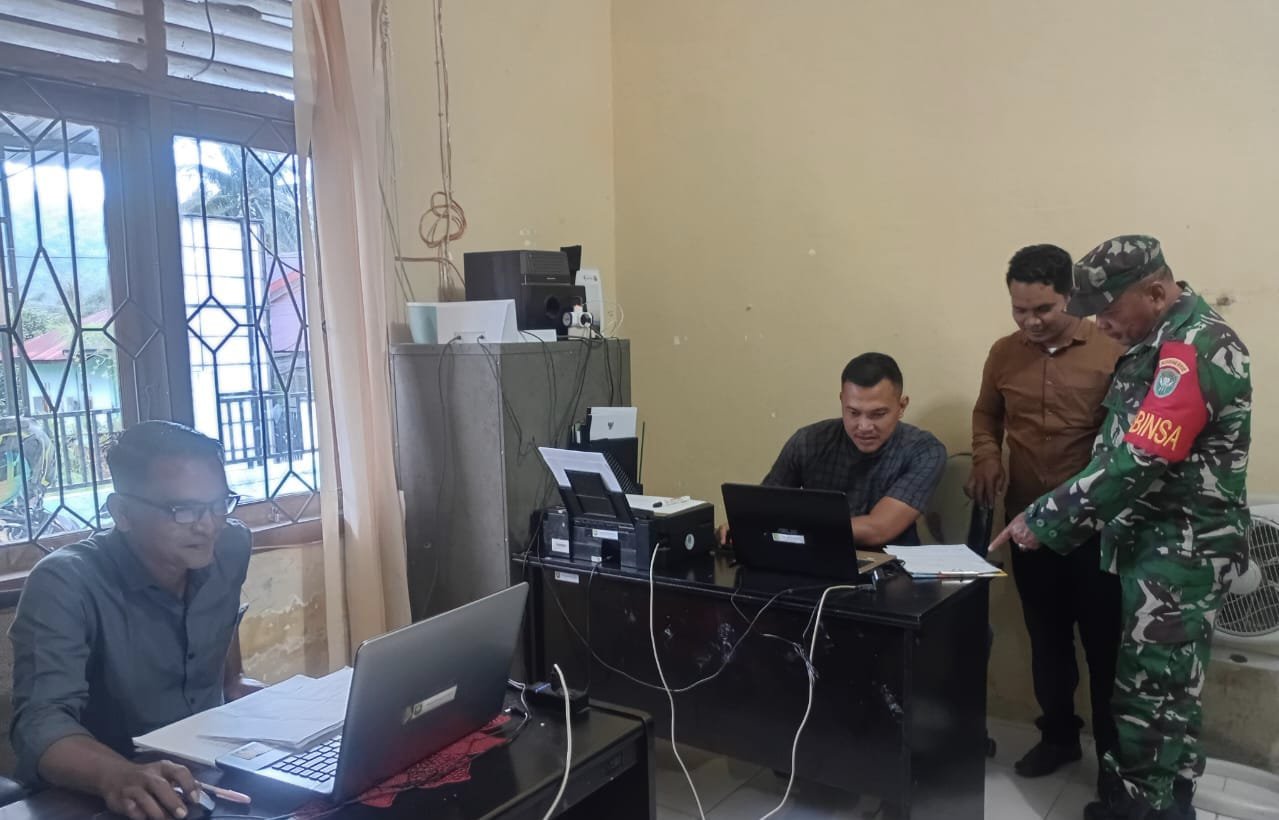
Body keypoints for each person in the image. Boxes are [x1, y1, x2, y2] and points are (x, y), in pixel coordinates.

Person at [991, 236, 1251, 820]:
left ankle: (1143, 810)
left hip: (1179, 550)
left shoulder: (1195, 348)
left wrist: (1045, 517)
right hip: (1149, 545)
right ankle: (1166, 800)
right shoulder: (1153, 344)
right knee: (1166, 691)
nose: (1101, 325)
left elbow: (1140, 457)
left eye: (1108, 312)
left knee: (1152, 690)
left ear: (1155, 293)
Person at [9, 421, 262, 820]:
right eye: (183, 510)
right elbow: (40, 723)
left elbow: (223, 616)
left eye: (219, 503)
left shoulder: (230, 544)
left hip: (209, 773)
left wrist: (234, 681)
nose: (208, 524)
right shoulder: (65, 582)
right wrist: (118, 775)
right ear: (122, 513)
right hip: (107, 791)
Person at [968, 244, 1124, 785]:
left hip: (1097, 530)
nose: (1030, 321)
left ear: (1070, 297)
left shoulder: (1111, 349)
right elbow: (986, 414)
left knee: (1106, 649)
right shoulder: (1003, 353)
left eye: (1043, 309)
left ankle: (1114, 759)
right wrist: (987, 456)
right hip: (1029, 526)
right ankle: (1058, 738)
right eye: (1019, 310)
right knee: (1047, 640)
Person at [719, 352, 947, 548]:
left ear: (902, 406)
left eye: (877, 414)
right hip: (814, 558)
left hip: (891, 568)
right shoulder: (809, 441)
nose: (864, 426)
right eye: (853, 413)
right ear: (841, 401)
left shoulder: (924, 451)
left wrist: (795, 525)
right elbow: (766, 506)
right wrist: (745, 524)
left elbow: (878, 529)